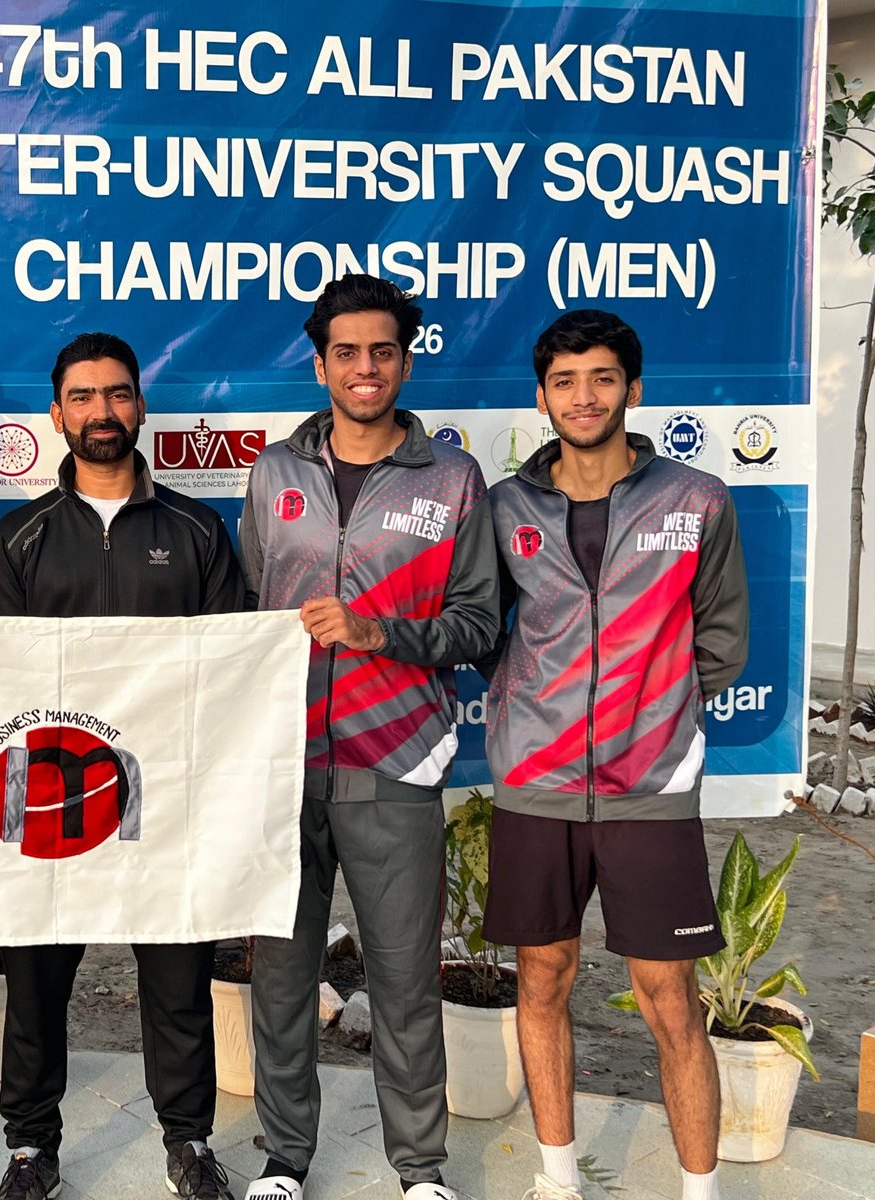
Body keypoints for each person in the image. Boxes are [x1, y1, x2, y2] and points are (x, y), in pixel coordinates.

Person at [238, 274, 500, 1200]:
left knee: (403, 980)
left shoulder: (452, 479)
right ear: (319, 365)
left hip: (398, 761)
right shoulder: (274, 473)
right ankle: (284, 1159)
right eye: (345, 352)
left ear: (405, 362)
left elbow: (480, 625)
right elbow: (250, 607)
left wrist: (378, 632)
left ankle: (419, 1170)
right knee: (282, 980)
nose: (364, 368)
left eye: (382, 351)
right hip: (284, 767)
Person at [479, 310, 748, 1200]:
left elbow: (721, 639)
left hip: (650, 788)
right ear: (542, 396)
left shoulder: (698, 499)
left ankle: (700, 1191)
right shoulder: (506, 506)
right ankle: (558, 1180)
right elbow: (484, 629)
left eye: (601, 378)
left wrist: (656, 713)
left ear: (633, 389)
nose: (583, 396)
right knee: (542, 978)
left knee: (671, 997)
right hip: (536, 786)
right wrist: (528, 705)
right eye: (564, 381)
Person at [0, 332, 245, 1200]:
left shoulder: (197, 530)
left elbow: (232, 663)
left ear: (141, 406)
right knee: (35, 983)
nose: (102, 411)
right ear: (57, 413)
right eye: (83, 396)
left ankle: (189, 1141)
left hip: (165, 803)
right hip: (52, 801)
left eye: (118, 394)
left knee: (178, 980)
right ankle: (30, 1149)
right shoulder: (18, 537)